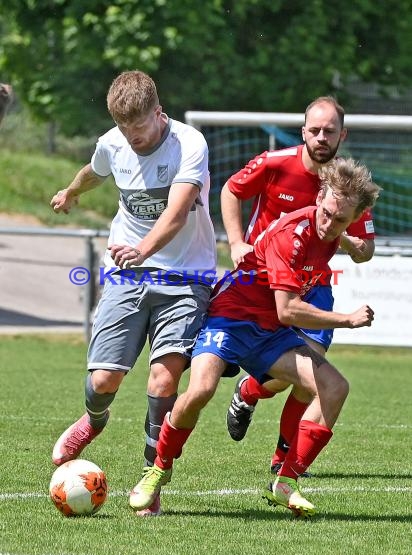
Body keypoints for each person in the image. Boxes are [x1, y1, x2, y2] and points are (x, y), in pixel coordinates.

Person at [129, 157, 381, 518]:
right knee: (200, 391)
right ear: (320, 196)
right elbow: (288, 311)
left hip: (268, 334)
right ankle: (158, 468)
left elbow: (334, 242)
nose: (329, 224)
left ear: (353, 218)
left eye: (340, 219)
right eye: (325, 213)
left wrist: (349, 243)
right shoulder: (292, 235)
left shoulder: (331, 232)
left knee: (334, 387)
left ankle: (286, 480)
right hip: (230, 318)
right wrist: (347, 319)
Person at [49, 70, 217, 516]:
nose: (132, 138)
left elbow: (178, 213)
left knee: (164, 379)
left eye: (139, 129)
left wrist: (141, 249)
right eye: (124, 129)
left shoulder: (190, 145)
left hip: (184, 277)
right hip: (127, 274)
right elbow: (95, 170)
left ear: (159, 114)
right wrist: (71, 191)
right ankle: (94, 419)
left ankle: (151, 476)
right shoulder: (113, 142)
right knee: (103, 381)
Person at [222, 96, 376, 476]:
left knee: (311, 378)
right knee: (272, 376)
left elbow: (365, 249)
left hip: (314, 284)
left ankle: (282, 461)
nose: (322, 137)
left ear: (343, 134)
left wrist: (348, 240)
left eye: (330, 131)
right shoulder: (276, 163)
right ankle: (248, 391)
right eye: (316, 130)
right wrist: (237, 241)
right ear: (303, 130)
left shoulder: (347, 186)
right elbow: (230, 190)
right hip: (263, 281)